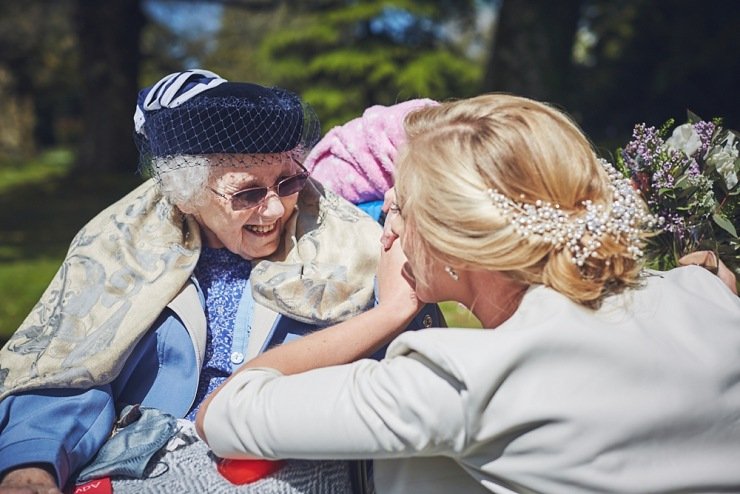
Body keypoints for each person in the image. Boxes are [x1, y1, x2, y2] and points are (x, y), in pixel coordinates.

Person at [197, 94, 740, 493]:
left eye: (399, 209)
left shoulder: (457, 380)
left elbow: (224, 413)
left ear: (454, 247)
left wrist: (390, 313)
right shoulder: (701, 292)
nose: (388, 233)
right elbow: (715, 282)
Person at [0, 70, 442, 493]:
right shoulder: (123, 248)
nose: (273, 211)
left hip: (294, 466)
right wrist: (32, 466)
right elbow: (70, 373)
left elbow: (409, 381)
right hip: (140, 468)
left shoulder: (347, 243)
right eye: (248, 193)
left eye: (287, 183)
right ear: (186, 192)